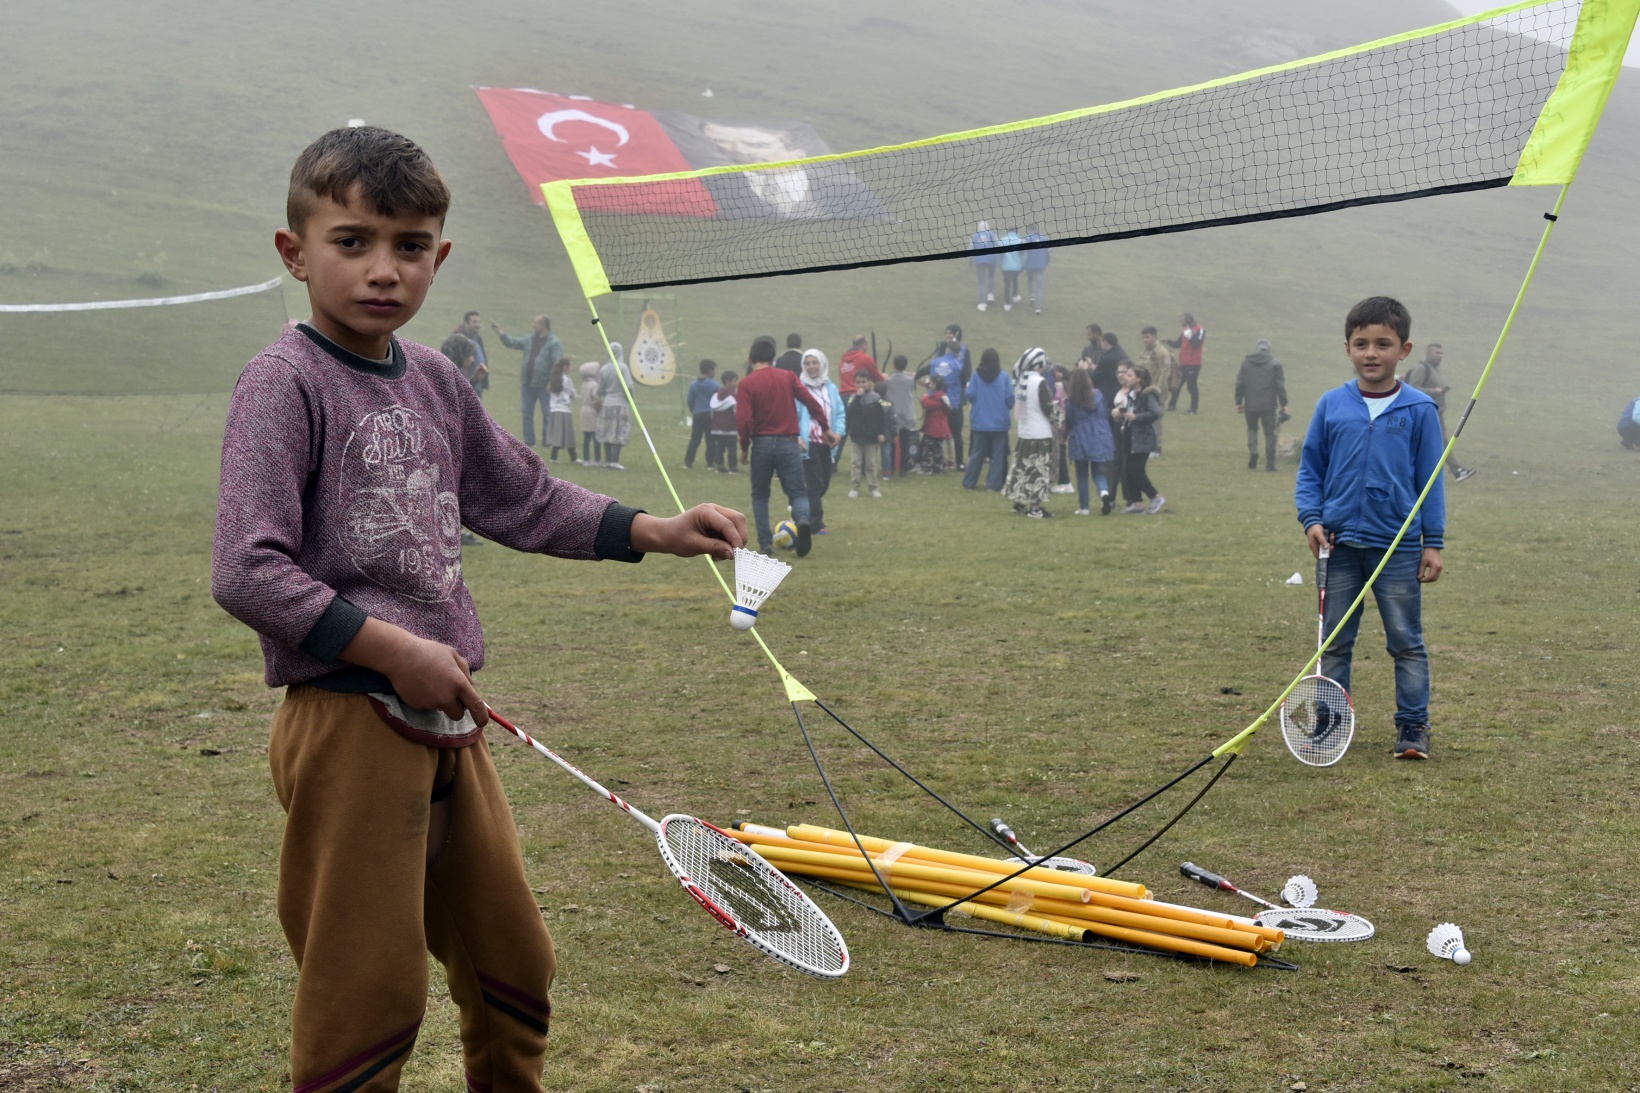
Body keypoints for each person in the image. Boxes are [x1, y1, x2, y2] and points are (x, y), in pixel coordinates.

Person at [214, 125, 749, 1093]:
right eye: (353, 242)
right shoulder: (283, 381)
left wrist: (657, 529)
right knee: (367, 995)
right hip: (348, 718)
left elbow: (527, 499)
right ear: (295, 252)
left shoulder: (433, 379)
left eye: (408, 247)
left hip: (447, 716)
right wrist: (387, 649)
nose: (383, 270)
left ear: (438, 256)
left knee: (515, 965)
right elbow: (247, 569)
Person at [1297, 295, 1446, 760]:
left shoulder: (1420, 409)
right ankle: (1330, 724)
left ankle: (1412, 728)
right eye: (1362, 343)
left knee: (1406, 642)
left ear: (1404, 350)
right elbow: (1310, 470)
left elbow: (1431, 479)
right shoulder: (1331, 404)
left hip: (1398, 548)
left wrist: (1433, 543)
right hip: (1338, 546)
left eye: (1384, 343)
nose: (1372, 353)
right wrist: (1312, 519)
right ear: (1347, 348)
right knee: (1335, 644)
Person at [737, 335, 836, 557]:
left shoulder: (746, 383)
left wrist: (744, 445)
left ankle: (765, 544)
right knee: (798, 492)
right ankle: (802, 522)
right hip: (789, 442)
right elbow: (811, 401)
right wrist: (825, 428)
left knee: (761, 495)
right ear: (774, 358)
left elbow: (744, 420)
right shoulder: (788, 376)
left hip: (761, 444)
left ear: (751, 358)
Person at [1402, 343, 1476, 481]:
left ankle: (1415, 472)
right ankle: (1457, 470)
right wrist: (1434, 392)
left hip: (1437, 411)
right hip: (1426, 412)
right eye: (1437, 353)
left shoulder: (1437, 370)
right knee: (1441, 441)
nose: (1440, 356)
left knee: (1430, 443)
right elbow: (1413, 389)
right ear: (1428, 353)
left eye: (1441, 353)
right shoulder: (1421, 368)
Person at [1003, 348, 1059, 517]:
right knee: (1038, 471)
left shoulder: (1021, 380)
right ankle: (1035, 508)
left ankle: (1018, 503)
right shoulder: (1039, 381)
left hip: (1025, 432)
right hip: (1040, 432)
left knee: (1022, 468)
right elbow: (1047, 407)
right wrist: (1060, 416)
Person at [797, 348, 846, 535]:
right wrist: (798, 437)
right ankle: (816, 524)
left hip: (828, 442)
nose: (811, 367)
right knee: (815, 483)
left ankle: (801, 509)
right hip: (808, 442)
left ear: (822, 364)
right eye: (807, 363)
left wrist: (838, 433)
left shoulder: (831, 388)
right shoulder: (799, 388)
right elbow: (793, 414)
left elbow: (839, 412)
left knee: (824, 482)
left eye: (814, 362)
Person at [495, 314, 561, 448]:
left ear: (544, 326)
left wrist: (551, 382)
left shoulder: (554, 342)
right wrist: (501, 332)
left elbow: (557, 363)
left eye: (536, 323)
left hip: (544, 385)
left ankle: (547, 441)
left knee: (548, 413)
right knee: (527, 412)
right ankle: (530, 441)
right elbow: (513, 342)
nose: (533, 325)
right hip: (527, 383)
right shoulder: (529, 339)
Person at [962, 347, 1015, 491]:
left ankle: (969, 482)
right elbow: (1010, 398)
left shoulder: (976, 376)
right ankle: (993, 484)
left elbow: (970, 394)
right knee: (997, 455)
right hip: (999, 421)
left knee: (977, 452)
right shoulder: (1004, 377)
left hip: (980, 421)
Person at [1065, 368, 1115, 515]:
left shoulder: (1071, 400)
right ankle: (1104, 493)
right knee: (1099, 471)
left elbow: (1069, 420)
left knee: (1082, 473)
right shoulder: (1098, 394)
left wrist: (1065, 434)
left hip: (1081, 436)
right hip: (1100, 434)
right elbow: (1104, 413)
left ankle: (1084, 507)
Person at [1116, 363, 1164, 513]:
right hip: (1130, 436)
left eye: (1130, 375)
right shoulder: (1132, 394)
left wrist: (1136, 417)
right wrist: (1122, 417)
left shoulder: (1148, 394)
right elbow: (1131, 411)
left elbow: (1154, 413)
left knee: (1136, 470)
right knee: (1128, 471)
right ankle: (1136, 503)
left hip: (1143, 438)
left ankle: (1155, 497)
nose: (1126, 377)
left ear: (1139, 379)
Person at [1235, 338, 1289, 472]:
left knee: (1252, 429)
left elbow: (1239, 383)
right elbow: (1280, 386)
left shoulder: (1246, 363)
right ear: (1268, 349)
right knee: (1270, 433)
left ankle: (1253, 451)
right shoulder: (1275, 364)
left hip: (1250, 405)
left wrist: (1238, 402)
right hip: (1269, 405)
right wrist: (1284, 404)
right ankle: (1270, 464)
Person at [923, 326, 972, 465]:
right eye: (946, 333)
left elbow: (966, 372)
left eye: (950, 333)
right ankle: (942, 459)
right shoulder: (942, 347)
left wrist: (965, 386)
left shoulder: (964, 351)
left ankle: (957, 461)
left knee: (955, 431)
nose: (948, 335)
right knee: (939, 427)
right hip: (939, 394)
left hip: (955, 395)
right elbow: (935, 366)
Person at [846, 373, 888, 498]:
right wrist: (858, 397)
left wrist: (881, 432)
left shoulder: (876, 398)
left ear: (869, 382)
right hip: (857, 435)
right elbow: (851, 411)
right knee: (856, 463)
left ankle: (873, 487)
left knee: (870, 463)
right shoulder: (853, 398)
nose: (861, 385)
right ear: (855, 384)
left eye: (863, 382)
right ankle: (855, 487)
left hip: (871, 436)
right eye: (858, 382)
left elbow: (882, 417)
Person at [595, 342, 632, 469]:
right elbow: (629, 386)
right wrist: (630, 397)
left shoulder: (604, 369)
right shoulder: (623, 368)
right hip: (620, 403)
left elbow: (600, 389)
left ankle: (608, 460)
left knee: (607, 431)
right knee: (619, 432)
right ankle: (615, 461)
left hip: (607, 404)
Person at [883, 354, 918, 477]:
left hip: (893, 414)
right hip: (906, 414)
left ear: (894, 365)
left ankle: (891, 467)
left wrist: (884, 377)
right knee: (905, 442)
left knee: (892, 442)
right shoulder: (910, 380)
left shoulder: (888, 380)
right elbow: (913, 385)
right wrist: (914, 376)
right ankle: (903, 468)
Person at [683, 358, 720, 469]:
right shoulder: (715, 385)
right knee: (710, 439)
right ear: (709, 371)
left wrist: (694, 410)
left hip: (698, 414)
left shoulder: (693, 384)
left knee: (695, 438)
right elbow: (718, 401)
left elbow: (690, 400)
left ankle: (688, 462)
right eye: (713, 370)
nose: (714, 373)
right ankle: (710, 463)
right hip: (710, 414)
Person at [1165, 313, 1206, 413]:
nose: (1181, 322)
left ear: (1188, 320)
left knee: (1191, 386)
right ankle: (1172, 405)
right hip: (1183, 362)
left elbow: (1196, 343)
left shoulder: (1200, 330)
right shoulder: (1185, 331)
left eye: (1182, 320)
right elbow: (1178, 344)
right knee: (1177, 384)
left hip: (1193, 363)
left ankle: (1193, 409)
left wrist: (1190, 336)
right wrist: (1167, 341)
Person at [1138, 326, 1179, 423]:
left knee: (1155, 421)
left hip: (1155, 391)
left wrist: (1157, 389)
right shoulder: (1146, 350)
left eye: (1147, 337)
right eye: (1143, 338)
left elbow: (1165, 371)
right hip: (1145, 389)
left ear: (1154, 337)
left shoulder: (1161, 352)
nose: (1144, 340)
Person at [543, 357, 579, 464]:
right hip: (565, 409)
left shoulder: (554, 378)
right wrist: (573, 396)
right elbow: (571, 394)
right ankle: (573, 457)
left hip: (555, 409)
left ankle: (554, 457)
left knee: (557, 434)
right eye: (570, 366)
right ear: (565, 367)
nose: (571, 368)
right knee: (568, 434)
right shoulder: (567, 380)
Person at [917, 374, 953, 473]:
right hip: (941, 428)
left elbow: (926, 404)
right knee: (938, 449)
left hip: (933, 428)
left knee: (927, 449)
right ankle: (938, 466)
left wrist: (924, 398)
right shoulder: (943, 397)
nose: (930, 384)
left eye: (931, 383)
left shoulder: (937, 398)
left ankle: (926, 468)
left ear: (935, 385)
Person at [707, 370, 740, 472]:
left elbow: (712, 412)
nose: (736, 383)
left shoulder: (716, 396)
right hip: (731, 428)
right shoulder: (733, 397)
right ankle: (732, 467)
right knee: (732, 448)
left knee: (720, 447)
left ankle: (719, 465)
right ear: (727, 382)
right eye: (734, 381)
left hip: (717, 428)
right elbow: (737, 412)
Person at [452, 310, 489, 399]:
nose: (478, 325)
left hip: (478, 377)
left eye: (479, 322)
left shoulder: (477, 337)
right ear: (466, 323)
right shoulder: (460, 338)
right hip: (468, 379)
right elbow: (456, 360)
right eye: (474, 322)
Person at [970, 220, 999, 310]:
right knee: (991, 277)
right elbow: (998, 244)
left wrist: (970, 261)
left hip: (979, 260)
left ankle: (983, 304)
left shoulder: (974, 236)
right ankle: (990, 294)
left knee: (981, 282)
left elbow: (970, 249)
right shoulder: (992, 234)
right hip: (991, 259)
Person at [578, 361, 603, 465]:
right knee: (596, 437)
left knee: (587, 438)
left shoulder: (584, 384)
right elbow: (595, 398)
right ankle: (597, 459)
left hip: (584, 410)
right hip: (592, 411)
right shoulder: (595, 385)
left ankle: (586, 459)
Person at [1023, 224, 1049, 314]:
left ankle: (1031, 296)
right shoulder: (1044, 238)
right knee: (1039, 287)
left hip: (1030, 265)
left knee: (1030, 280)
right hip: (1041, 265)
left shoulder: (1027, 239)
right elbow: (1048, 252)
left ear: (1029, 230)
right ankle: (1038, 307)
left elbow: (1022, 252)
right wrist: (1046, 263)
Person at [997, 225, 1024, 310]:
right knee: (1015, 280)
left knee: (1007, 284)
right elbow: (1022, 254)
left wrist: (1000, 265)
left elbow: (1000, 254)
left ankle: (1007, 304)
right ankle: (1015, 296)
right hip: (1017, 266)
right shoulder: (1020, 241)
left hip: (1005, 266)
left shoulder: (1002, 240)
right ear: (1017, 231)